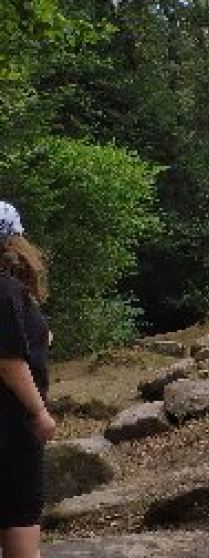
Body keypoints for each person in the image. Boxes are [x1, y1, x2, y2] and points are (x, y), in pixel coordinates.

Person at [0, 201, 55, 558]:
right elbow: (7, 360)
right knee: (19, 522)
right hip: (10, 431)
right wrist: (39, 413)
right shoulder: (4, 291)